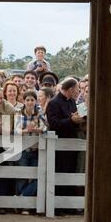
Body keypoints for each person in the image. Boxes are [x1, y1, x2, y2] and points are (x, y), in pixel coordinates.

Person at [46, 77, 85, 207]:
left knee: (70, 173)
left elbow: (73, 119)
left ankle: (68, 205)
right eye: (77, 90)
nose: (78, 92)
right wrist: (71, 120)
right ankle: (58, 206)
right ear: (70, 89)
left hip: (72, 144)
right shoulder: (53, 103)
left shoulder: (72, 101)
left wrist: (78, 120)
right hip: (59, 146)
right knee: (60, 173)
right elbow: (53, 124)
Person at [15, 90, 47, 205]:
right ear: (24, 101)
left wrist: (37, 130)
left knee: (36, 177)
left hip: (35, 150)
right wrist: (26, 130)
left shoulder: (39, 112)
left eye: (32, 100)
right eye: (27, 100)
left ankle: (23, 200)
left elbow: (45, 128)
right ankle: (21, 203)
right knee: (22, 176)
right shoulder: (18, 112)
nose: (30, 102)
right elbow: (16, 130)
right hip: (23, 150)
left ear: (35, 101)